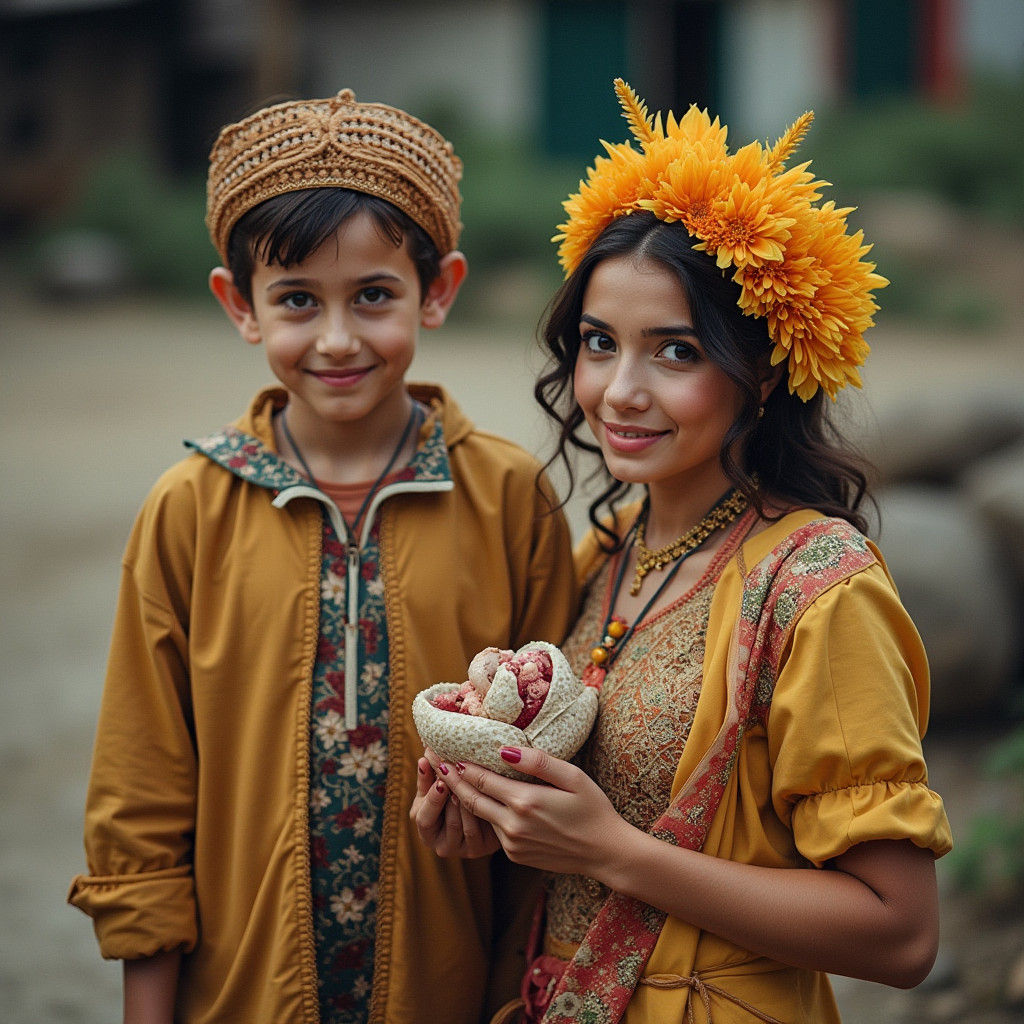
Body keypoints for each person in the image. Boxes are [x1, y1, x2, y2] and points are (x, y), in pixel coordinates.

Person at [412, 79, 953, 1024]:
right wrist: (493, 821)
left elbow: (900, 935)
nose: (620, 390)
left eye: (676, 352)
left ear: (765, 372)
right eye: (599, 342)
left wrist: (612, 851)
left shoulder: (819, 591)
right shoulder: (609, 554)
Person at [67, 89, 579, 1024]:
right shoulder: (189, 510)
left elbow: (552, 750)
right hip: (239, 993)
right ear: (240, 305)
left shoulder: (509, 498)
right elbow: (141, 788)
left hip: (451, 986)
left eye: (373, 295)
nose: (337, 338)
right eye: (298, 299)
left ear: (439, 290)